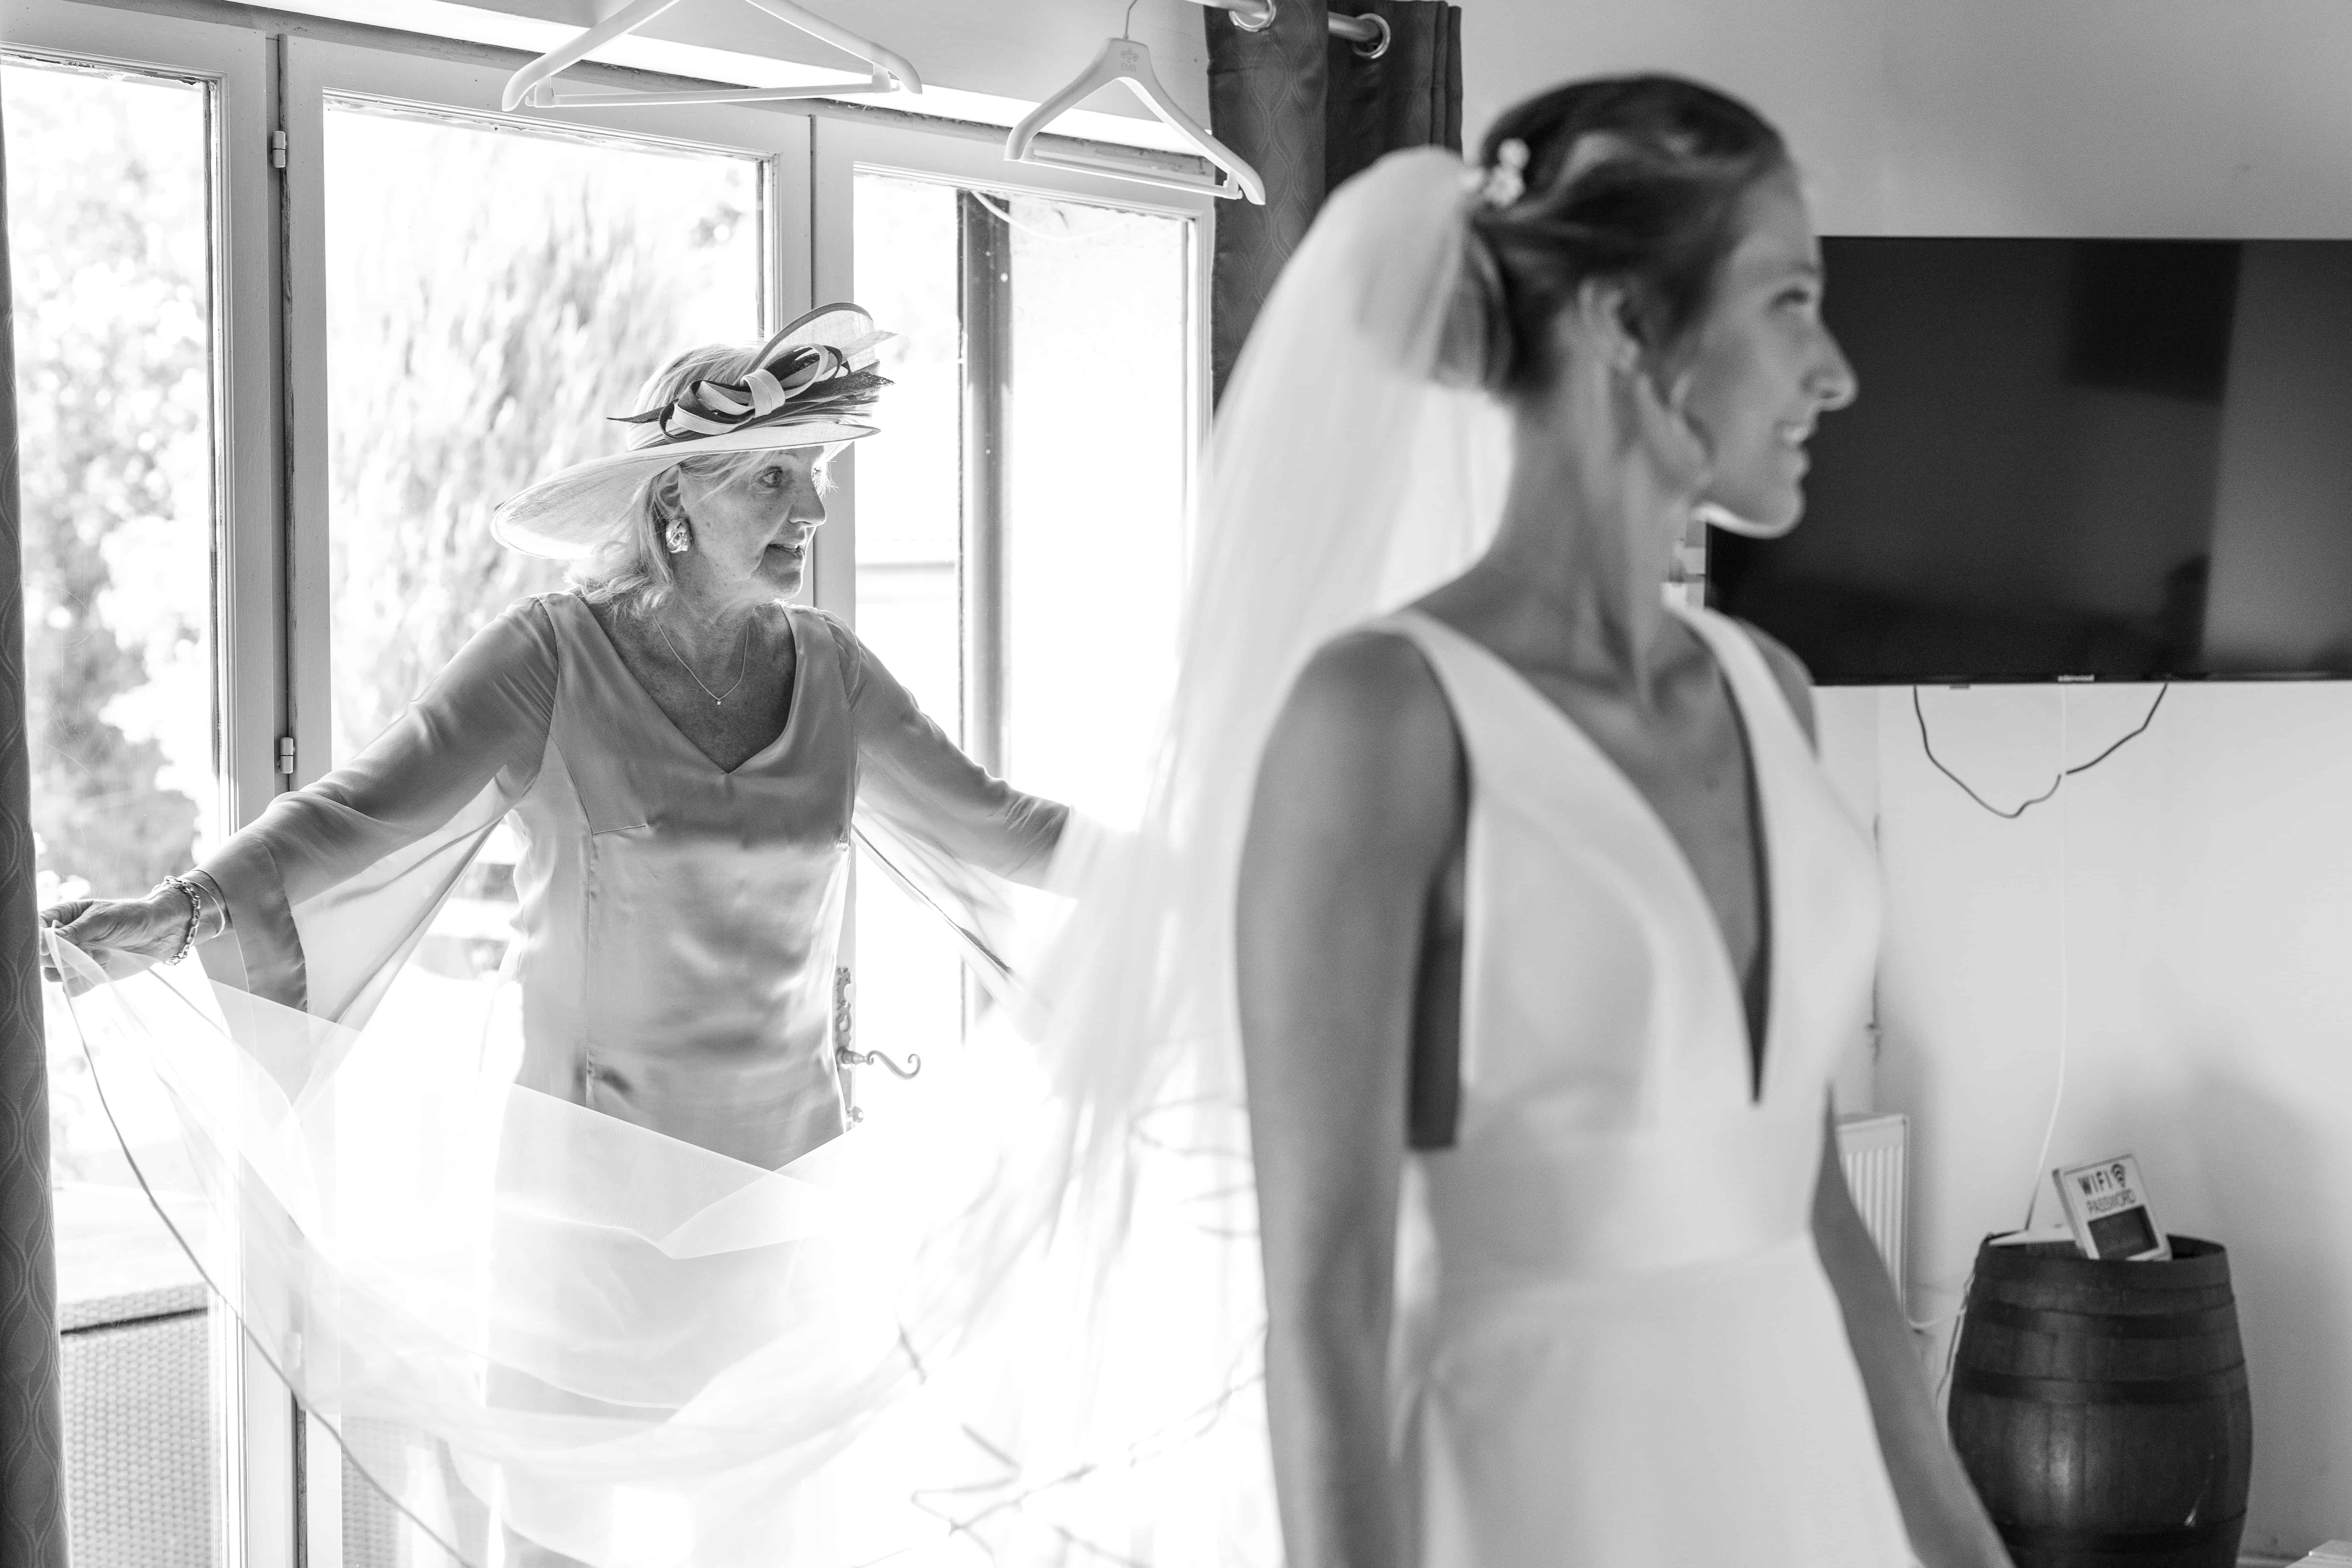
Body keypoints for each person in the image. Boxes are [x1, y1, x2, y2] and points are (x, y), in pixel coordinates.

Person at [40, 302, 1067, 1566]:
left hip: (781, 1198)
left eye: (816, 477)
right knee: (555, 1543)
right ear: (674, 501)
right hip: (587, 1208)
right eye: (772, 478)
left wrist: (1200, 860)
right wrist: (181, 909)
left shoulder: (836, 674)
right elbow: (361, 806)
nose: (811, 510)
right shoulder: (550, 656)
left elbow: (999, 825)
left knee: (766, 1541)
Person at [1226, 78, 2013, 1566]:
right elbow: (1321, 1308)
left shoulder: (1770, 692)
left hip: (1805, 1481)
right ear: (1628, 325)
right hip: (1534, 1488)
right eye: (1791, 301)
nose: (1836, 373)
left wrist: (1961, 1546)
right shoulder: (1380, 719)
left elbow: (1815, 1203)